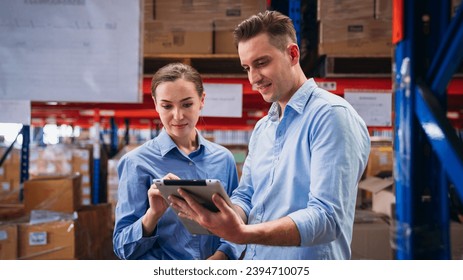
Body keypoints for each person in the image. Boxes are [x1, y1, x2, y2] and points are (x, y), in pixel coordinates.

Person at [169, 10, 371, 260]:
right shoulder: (264, 128)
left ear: (293, 54)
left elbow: (327, 217)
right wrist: (219, 213)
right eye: (247, 67)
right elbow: (247, 197)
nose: (253, 78)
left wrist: (244, 233)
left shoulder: (331, 116)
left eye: (262, 63)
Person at [113, 63, 242, 260]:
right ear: (156, 104)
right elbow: (122, 248)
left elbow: (237, 224)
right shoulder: (136, 163)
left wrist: (222, 256)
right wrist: (153, 215)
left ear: (202, 100)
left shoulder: (223, 159)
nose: (178, 116)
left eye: (187, 104)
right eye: (167, 106)